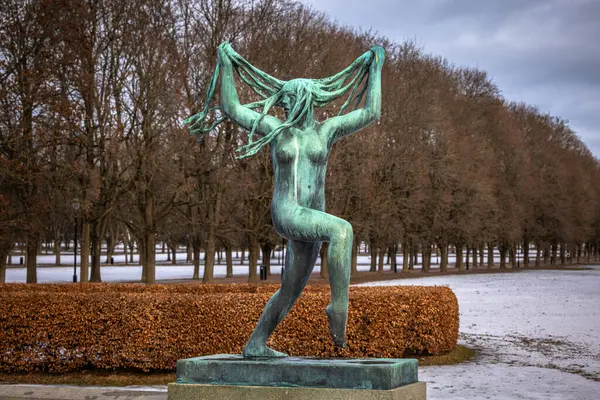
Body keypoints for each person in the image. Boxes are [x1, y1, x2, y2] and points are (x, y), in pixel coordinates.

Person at [188, 42, 384, 357]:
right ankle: (338, 307)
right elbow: (232, 108)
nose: (288, 104)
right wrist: (226, 64)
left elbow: (371, 112)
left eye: (294, 98)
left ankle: (255, 344)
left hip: (311, 217)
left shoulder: (326, 131)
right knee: (342, 230)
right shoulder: (277, 131)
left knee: (290, 290)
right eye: (287, 99)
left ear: (309, 99)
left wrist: (375, 69)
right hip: (288, 211)